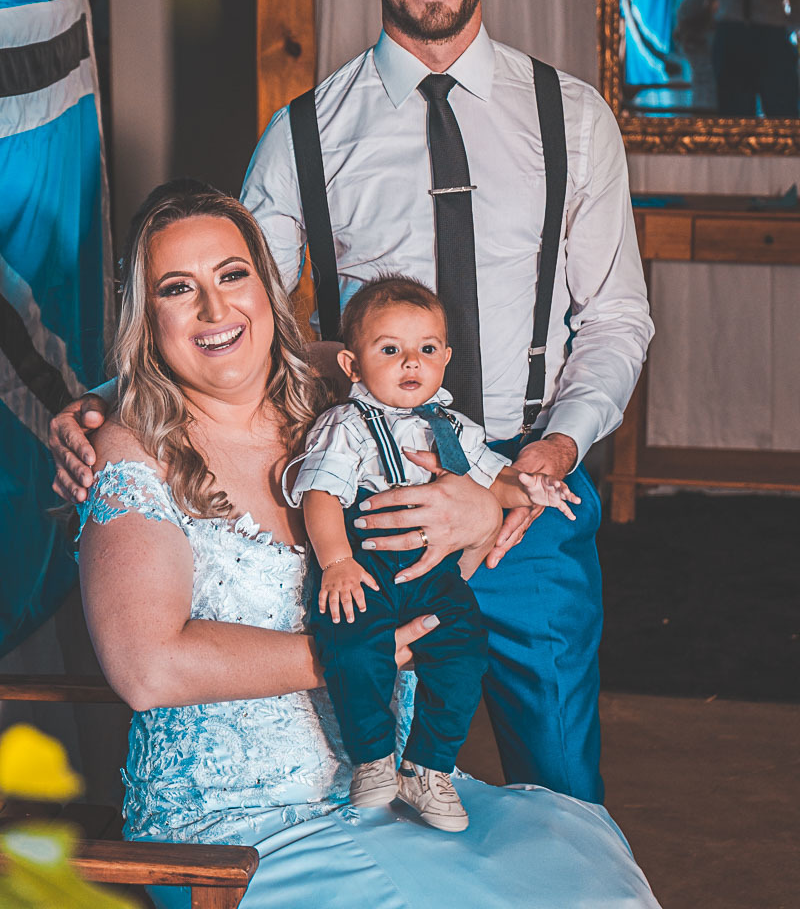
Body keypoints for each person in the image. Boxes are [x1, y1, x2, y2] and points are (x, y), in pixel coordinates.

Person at [50, 0, 654, 806]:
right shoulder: (301, 135)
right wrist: (101, 402)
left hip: (527, 504)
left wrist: (545, 459)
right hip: (365, 502)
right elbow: (228, 319)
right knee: (391, 765)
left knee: (560, 785)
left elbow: (616, 319)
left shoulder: (572, 118)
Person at [76, 180, 660, 908]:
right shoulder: (133, 452)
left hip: (392, 800)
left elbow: (449, 531)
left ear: (268, 285)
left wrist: (482, 511)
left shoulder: (338, 410)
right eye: (176, 288)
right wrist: (354, 654)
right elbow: (148, 668)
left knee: (583, 873)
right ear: (147, 317)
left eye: (233, 275)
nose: (215, 309)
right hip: (231, 833)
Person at [290, 274, 578, 831]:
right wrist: (336, 562)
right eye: (390, 350)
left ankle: (427, 766)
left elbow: (496, 482)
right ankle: (372, 757)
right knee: (354, 646)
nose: (410, 363)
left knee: (465, 649)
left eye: (425, 350)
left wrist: (532, 489)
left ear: (446, 357)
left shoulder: (455, 428)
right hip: (365, 563)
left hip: (433, 572)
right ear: (352, 365)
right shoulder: (345, 426)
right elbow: (321, 495)